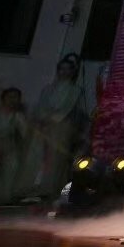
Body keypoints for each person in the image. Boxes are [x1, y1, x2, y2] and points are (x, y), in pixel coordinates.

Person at [23, 53, 86, 201]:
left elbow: (70, 109)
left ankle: (50, 189)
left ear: (73, 72)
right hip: (43, 127)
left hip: (61, 128)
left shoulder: (76, 91)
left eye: (68, 69)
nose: (64, 72)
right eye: (61, 69)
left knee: (56, 158)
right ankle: (33, 188)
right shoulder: (48, 89)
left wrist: (54, 119)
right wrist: (42, 119)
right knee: (38, 157)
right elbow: (40, 106)